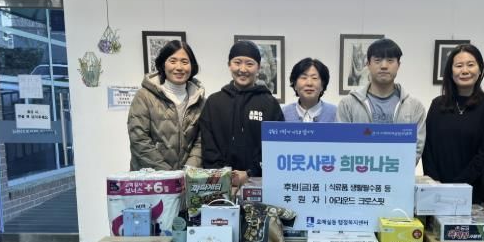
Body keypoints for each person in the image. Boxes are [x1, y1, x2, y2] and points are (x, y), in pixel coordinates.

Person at [422, 43, 484, 204]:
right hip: (437, 191)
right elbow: (427, 147)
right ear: (450, 71)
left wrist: (457, 186)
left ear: (480, 69)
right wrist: (434, 182)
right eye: (459, 66)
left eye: (470, 65)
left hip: (472, 193)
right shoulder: (437, 104)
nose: (465, 70)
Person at [200, 40, 284, 186]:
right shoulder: (214, 102)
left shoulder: (270, 103)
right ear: (229, 64)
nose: (243, 69)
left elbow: (275, 146)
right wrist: (224, 175)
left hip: (259, 182)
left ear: (258, 67)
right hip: (219, 182)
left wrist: (250, 172)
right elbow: (208, 145)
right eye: (237, 62)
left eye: (249, 64)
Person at [337, 38, 427, 164]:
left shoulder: (414, 107)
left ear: (398, 65)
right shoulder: (348, 104)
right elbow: (341, 145)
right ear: (368, 64)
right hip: (358, 172)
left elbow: (416, 149)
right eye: (377, 60)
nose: (384, 66)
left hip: (397, 171)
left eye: (390, 60)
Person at [128, 40, 205, 171]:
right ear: (163, 64)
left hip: (187, 178)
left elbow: (201, 141)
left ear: (192, 66)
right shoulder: (144, 96)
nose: (179, 67)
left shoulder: (200, 100)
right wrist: (169, 175)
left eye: (184, 62)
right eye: (173, 61)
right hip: (151, 178)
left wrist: (188, 171)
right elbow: (139, 140)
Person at [282, 58, 337, 122]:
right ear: (295, 84)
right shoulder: (283, 114)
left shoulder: (335, 113)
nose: (309, 83)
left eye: (314, 78)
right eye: (304, 77)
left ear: (323, 85)